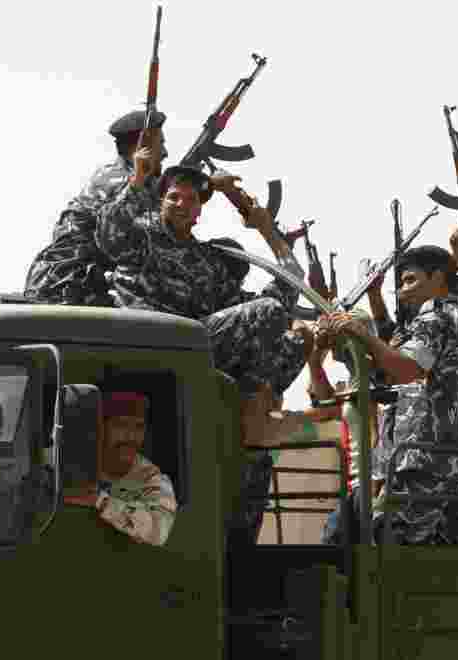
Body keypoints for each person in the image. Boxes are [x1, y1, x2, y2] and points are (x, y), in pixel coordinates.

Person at [327, 245, 458, 544]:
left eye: (410, 280)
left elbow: (405, 370)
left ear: (438, 278)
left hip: (427, 474)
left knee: (398, 561)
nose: (402, 291)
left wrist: (362, 335)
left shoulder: (434, 318)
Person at [96, 161, 305, 398]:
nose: (181, 204)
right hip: (149, 345)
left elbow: (286, 289)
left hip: (192, 350)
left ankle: (247, 408)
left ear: (199, 210)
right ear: (161, 202)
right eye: (173, 197)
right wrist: (138, 180)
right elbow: (109, 235)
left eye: (191, 199)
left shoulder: (208, 262)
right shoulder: (143, 238)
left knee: (297, 340)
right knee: (269, 310)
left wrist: (267, 229)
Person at [24, 110, 168, 306]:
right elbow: (158, 236)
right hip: (67, 286)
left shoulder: (123, 176)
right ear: (142, 148)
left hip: (81, 283)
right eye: (161, 144)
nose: (166, 153)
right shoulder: (120, 181)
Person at [63, 392, 176, 546]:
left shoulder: (151, 477)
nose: (130, 436)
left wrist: (100, 501)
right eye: (120, 425)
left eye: (138, 427)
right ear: (101, 429)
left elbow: (158, 530)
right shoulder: (68, 462)